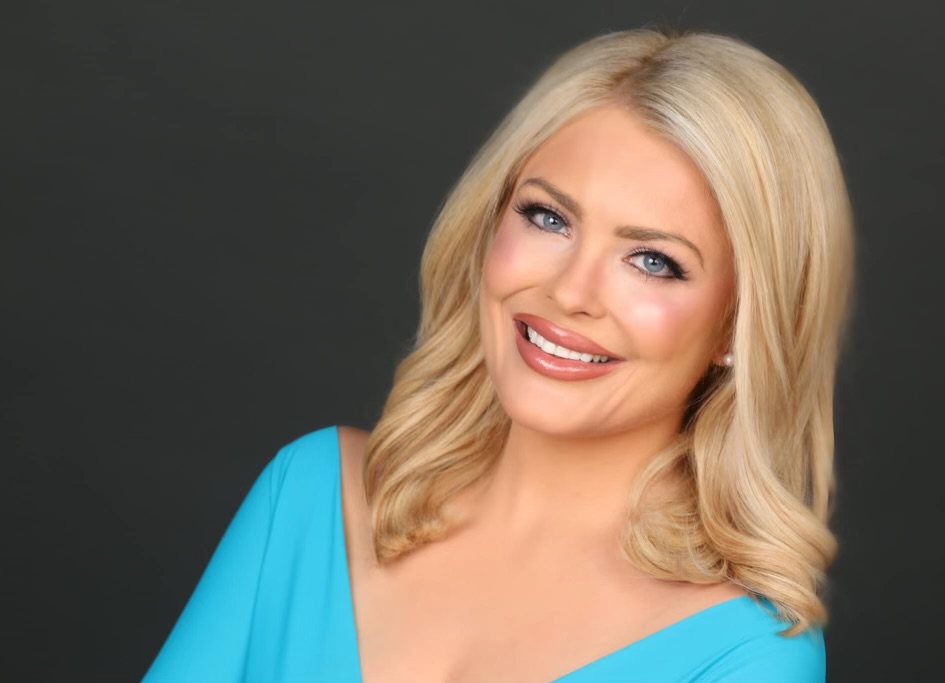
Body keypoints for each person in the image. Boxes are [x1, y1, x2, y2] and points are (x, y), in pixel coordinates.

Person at [143, 26, 854, 683]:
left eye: (653, 261)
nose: (571, 290)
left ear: (738, 325)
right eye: (549, 217)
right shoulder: (307, 496)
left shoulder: (746, 656)